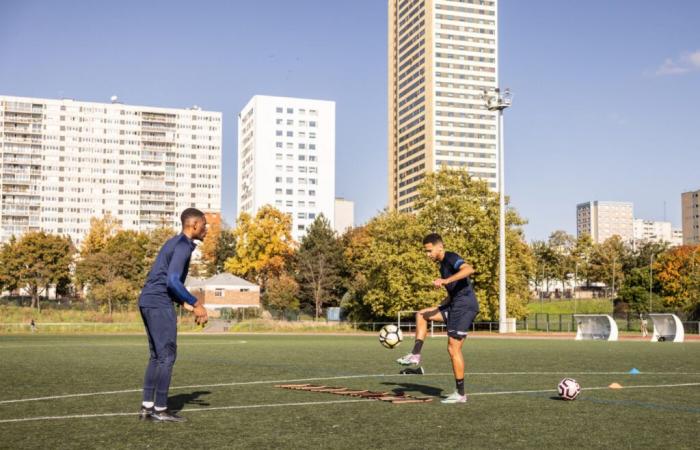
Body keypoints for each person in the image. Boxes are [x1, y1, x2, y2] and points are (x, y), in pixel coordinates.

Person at [138, 208, 209, 422]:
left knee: (157, 356)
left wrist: (182, 302)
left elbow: (163, 278)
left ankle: (147, 407)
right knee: (167, 356)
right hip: (158, 301)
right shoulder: (183, 247)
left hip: (148, 300)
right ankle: (160, 409)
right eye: (204, 225)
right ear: (194, 225)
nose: (206, 229)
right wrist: (196, 303)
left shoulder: (173, 242)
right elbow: (172, 281)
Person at [396, 233, 479, 404]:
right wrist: (438, 306)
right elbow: (452, 294)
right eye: (426, 252)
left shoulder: (450, 257)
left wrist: (445, 280)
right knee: (422, 314)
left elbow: (469, 269)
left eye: (429, 251)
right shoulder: (442, 265)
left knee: (453, 349)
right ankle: (415, 355)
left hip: (464, 306)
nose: (428, 255)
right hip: (455, 304)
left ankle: (460, 393)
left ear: (439, 247)